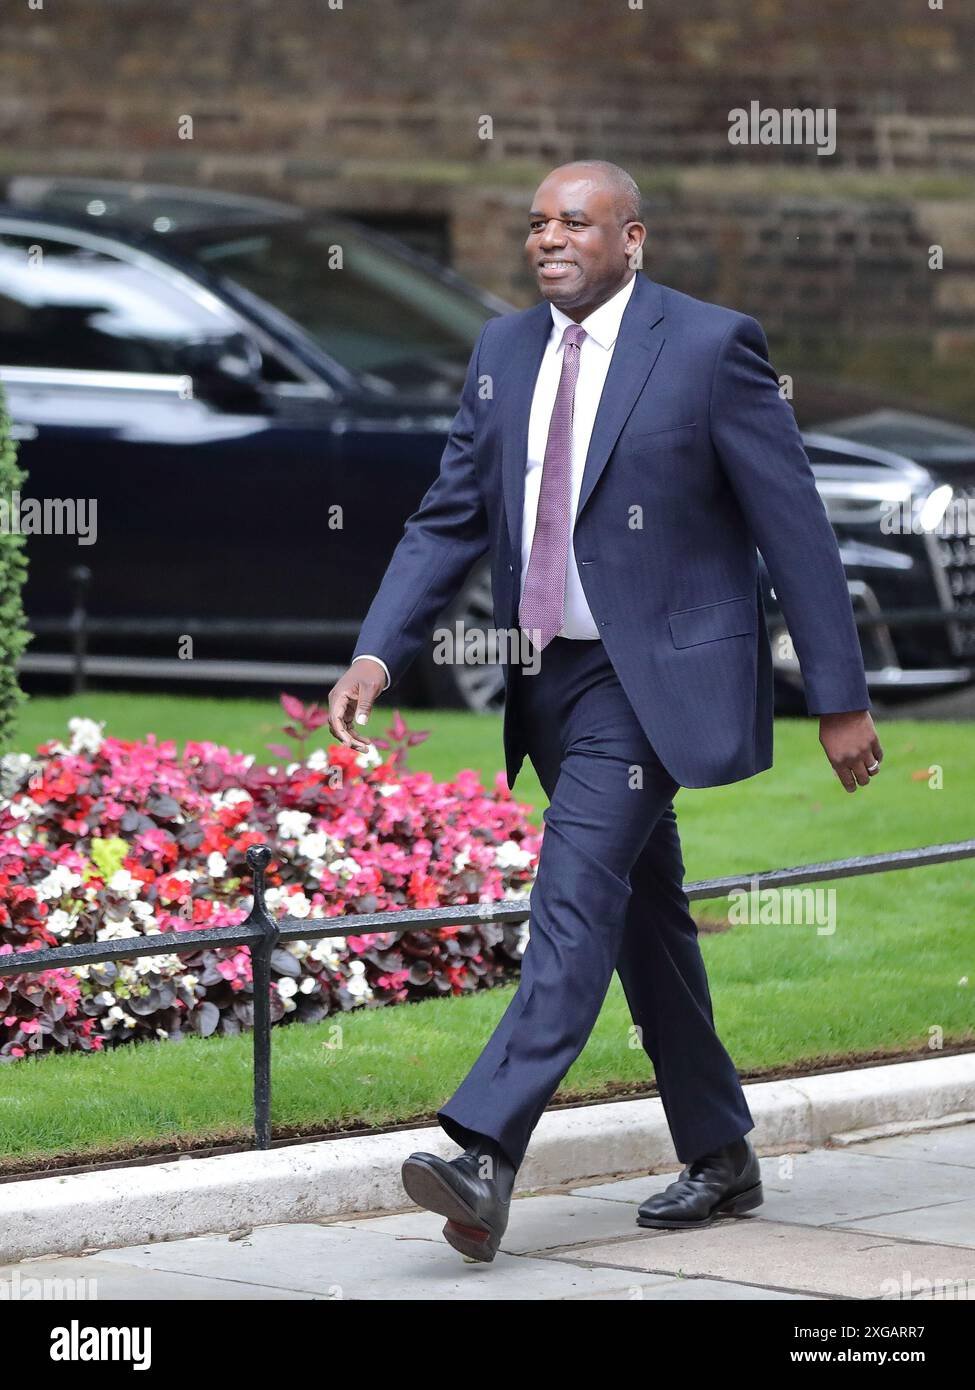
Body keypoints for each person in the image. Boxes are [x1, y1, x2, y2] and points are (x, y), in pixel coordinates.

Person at [327, 159, 883, 1264]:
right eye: (535, 224)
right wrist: (377, 654)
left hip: (657, 676)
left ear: (634, 238)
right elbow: (446, 518)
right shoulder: (502, 352)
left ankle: (483, 1150)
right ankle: (721, 1150)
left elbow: (794, 527)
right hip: (555, 676)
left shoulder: (713, 345)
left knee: (575, 896)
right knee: (644, 915)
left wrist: (839, 697)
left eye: (574, 222)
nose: (548, 240)